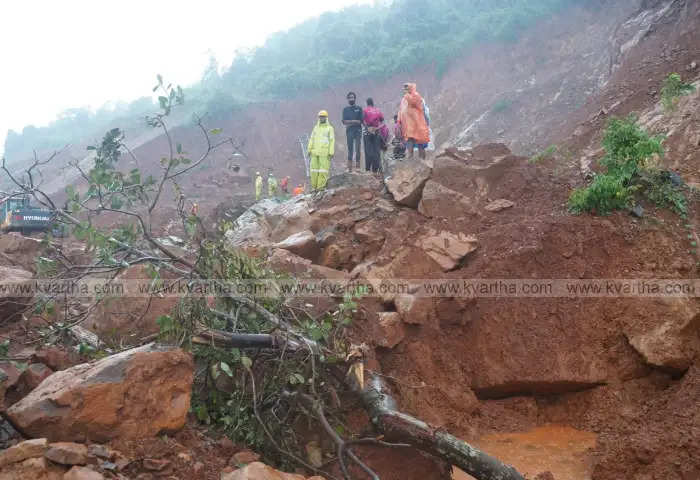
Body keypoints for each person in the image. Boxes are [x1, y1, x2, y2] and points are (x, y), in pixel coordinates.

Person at [398, 83, 430, 160]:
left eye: (406, 88)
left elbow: (416, 104)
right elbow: (401, 111)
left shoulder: (414, 96)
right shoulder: (405, 99)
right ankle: (412, 159)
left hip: (417, 124)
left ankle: (421, 160)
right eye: (405, 89)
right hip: (410, 125)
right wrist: (399, 121)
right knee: (411, 140)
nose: (405, 90)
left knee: (419, 142)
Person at [307, 110, 335, 191]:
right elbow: (311, 139)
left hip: (324, 153)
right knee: (313, 170)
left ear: (326, 118)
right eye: (320, 117)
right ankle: (314, 187)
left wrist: (331, 152)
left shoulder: (330, 128)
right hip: (314, 152)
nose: (321, 118)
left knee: (323, 170)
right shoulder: (316, 128)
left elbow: (332, 140)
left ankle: (320, 187)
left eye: (323, 116)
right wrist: (309, 149)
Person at [342, 92, 363, 172]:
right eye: (350, 97)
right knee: (350, 149)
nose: (351, 99)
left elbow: (360, 121)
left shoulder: (359, 108)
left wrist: (350, 122)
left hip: (358, 131)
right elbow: (344, 121)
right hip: (349, 131)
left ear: (355, 98)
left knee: (358, 148)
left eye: (353, 97)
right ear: (348, 99)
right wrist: (354, 121)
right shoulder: (345, 109)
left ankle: (358, 167)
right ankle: (349, 168)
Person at [362, 98, 384, 173]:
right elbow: (382, 121)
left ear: (367, 103)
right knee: (376, 152)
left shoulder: (365, 110)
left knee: (368, 152)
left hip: (367, 133)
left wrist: (368, 128)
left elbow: (362, 121)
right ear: (373, 103)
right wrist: (377, 128)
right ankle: (375, 170)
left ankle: (368, 170)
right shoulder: (378, 110)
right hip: (376, 132)